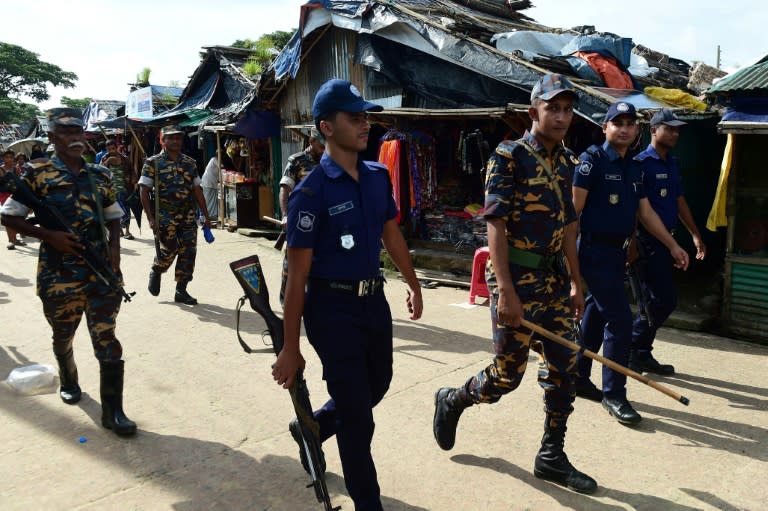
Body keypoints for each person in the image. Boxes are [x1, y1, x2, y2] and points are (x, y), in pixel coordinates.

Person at [432, 74, 596, 494]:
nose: (561, 117)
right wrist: (504, 290)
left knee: (566, 369)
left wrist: (578, 283)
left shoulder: (569, 163)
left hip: (555, 282)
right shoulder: (507, 157)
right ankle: (454, 398)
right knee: (507, 377)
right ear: (533, 111)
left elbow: (570, 230)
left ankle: (551, 456)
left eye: (567, 109)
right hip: (516, 281)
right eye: (552, 108)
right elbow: (495, 227)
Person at [272, 79, 423, 510]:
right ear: (326, 127)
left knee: (377, 384)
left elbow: (390, 232)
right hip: (330, 308)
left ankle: (314, 426)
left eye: (366, 116)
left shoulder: (377, 176)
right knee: (359, 418)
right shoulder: (310, 193)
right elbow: (296, 277)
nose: (365, 124)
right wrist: (290, 347)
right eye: (354, 117)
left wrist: (412, 282)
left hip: (372, 302)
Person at [0, 107, 136, 436]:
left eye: (79, 131)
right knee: (63, 334)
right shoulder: (35, 173)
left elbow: (114, 216)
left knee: (107, 338)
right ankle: (69, 376)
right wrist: (49, 236)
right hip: (58, 274)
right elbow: (9, 217)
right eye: (67, 133)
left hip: (100, 271)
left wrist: (114, 256)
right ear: (51, 138)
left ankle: (113, 411)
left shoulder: (99, 174)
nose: (76, 138)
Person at [572, 101, 689, 426]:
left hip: (617, 253)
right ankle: (614, 393)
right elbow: (573, 213)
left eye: (630, 123)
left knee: (597, 313)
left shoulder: (634, 168)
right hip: (593, 251)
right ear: (605, 128)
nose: (624, 128)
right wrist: (566, 264)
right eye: (617, 122)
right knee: (621, 320)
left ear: (637, 130)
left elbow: (646, 213)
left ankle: (578, 376)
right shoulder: (591, 161)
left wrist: (673, 244)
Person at [629, 109, 706, 375]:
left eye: (677, 130)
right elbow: (638, 211)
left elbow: (679, 200)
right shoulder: (640, 163)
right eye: (669, 128)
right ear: (653, 130)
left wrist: (695, 234)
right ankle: (633, 349)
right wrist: (633, 244)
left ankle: (639, 351)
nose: (674, 133)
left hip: (666, 240)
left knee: (660, 300)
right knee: (658, 300)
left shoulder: (672, 162)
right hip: (646, 242)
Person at [139, 125, 212, 305]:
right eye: (170, 138)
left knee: (189, 251)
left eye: (178, 138)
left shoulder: (190, 163)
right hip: (164, 215)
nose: (175, 141)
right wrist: (150, 218)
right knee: (169, 249)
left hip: (187, 215)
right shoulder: (152, 163)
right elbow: (144, 191)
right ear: (162, 141)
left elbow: (197, 190)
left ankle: (181, 290)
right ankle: (157, 270)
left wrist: (206, 215)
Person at [277, 126, 325, 305]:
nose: (324, 150)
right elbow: (284, 189)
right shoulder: (297, 161)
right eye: (321, 146)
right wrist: (285, 215)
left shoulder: (330, 161)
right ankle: (286, 303)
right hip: (299, 223)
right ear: (312, 142)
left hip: (322, 224)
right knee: (291, 267)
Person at [101, 140, 136, 240]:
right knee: (116, 211)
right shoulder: (105, 158)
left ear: (116, 147)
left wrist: (134, 181)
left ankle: (127, 231)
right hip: (111, 190)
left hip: (124, 188)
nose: (111, 151)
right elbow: (100, 171)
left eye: (113, 148)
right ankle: (120, 230)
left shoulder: (124, 159)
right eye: (109, 149)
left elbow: (131, 170)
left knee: (126, 209)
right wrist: (107, 162)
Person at [1, 149, 25, 249]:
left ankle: (14, 238)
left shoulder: (16, 169)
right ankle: (11, 241)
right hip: (4, 195)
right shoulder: (1, 169)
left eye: (11, 157)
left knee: (16, 217)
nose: (9, 159)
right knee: (8, 218)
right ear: (3, 158)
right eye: (7, 157)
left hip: (15, 194)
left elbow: (20, 181)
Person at [200, 150, 223, 221]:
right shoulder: (214, 159)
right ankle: (206, 216)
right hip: (208, 183)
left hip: (211, 183)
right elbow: (221, 166)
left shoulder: (215, 160)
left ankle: (211, 216)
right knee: (208, 200)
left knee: (212, 200)